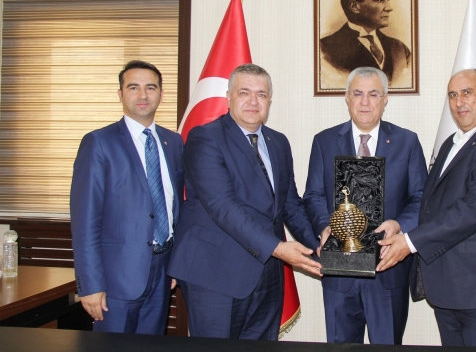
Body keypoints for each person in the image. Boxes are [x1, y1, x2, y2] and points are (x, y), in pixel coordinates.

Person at [377, 68, 476, 347]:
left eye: (467, 93)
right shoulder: (452, 143)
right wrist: (399, 224)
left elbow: (471, 211)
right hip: (451, 289)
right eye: (452, 95)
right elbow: (432, 204)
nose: (459, 102)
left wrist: (409, 242)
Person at [167, 63, 322, 340]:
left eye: (261, 95)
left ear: (269, 100)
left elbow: (289, 204)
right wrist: (278, 248)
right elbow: (223, 207)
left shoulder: (278, 142)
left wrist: (319, 246)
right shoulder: (205, 138)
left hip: (268, 275)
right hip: (215, 273)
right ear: (228, 97)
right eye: (244, 93)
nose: (253, 101)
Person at [303, 66, 427, 344]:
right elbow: (313, 195)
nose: (365, 102)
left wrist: (399, 225)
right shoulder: (324, 141)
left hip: (388, 270)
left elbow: (421, 198)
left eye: (373, 94)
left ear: (385, 99)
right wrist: (324, 227)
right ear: (347, 98)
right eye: (358, 94)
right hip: (339, 273)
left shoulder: (407, 142)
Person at [70, 60, 184, 334]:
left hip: (162, 272)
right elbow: (85, 221)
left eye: (150, 88)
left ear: (161, 94)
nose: (143, 95)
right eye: (133, 87)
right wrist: (91, 285)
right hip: (116, 279)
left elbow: (177, 208)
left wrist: (176, 265)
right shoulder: (99, 142)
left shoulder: (173, 142)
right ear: (120, 94)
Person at [320, 0, 411, 88]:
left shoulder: (400, 49)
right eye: (379, 0)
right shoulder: (324, 50)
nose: (389, 8)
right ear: (354, 6)